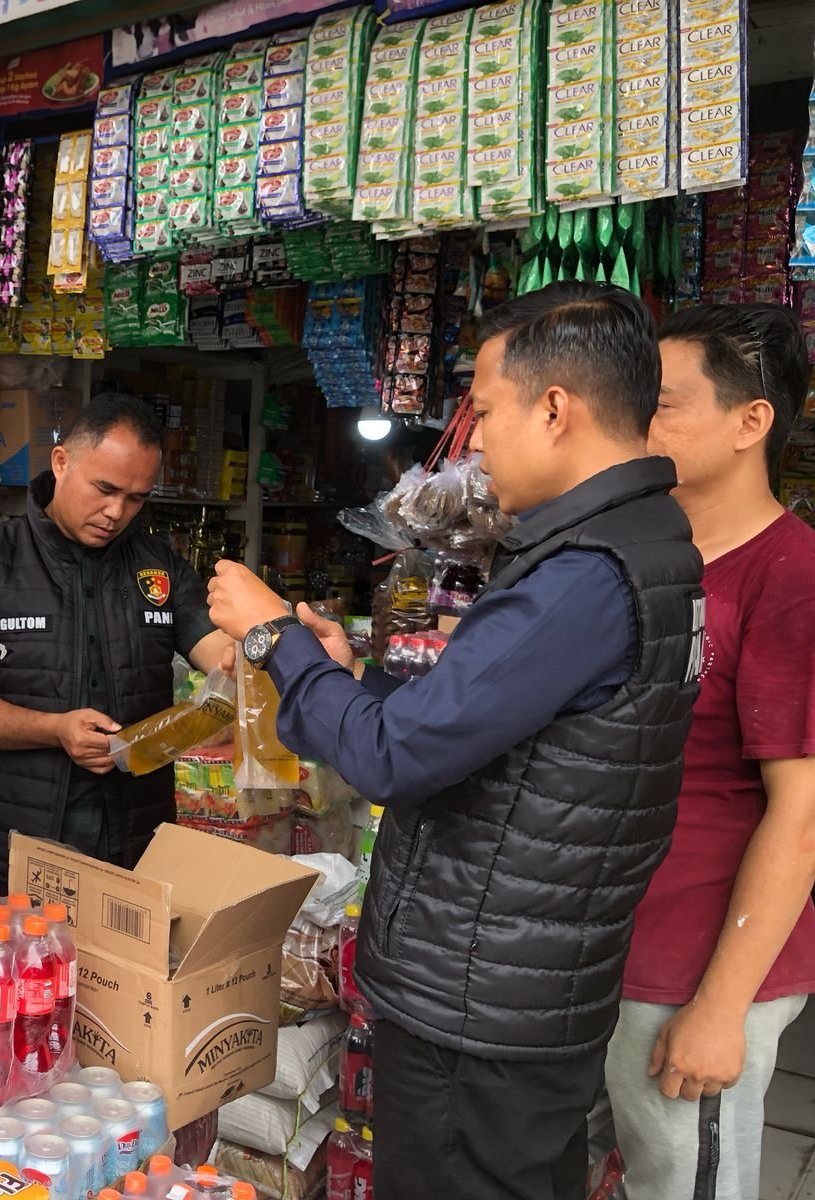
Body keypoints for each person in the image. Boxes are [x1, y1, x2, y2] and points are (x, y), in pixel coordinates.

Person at [206, 280, 705, 1200]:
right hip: (522, 986)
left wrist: (271, 637)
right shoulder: (644, 543)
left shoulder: (587, 573)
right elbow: (497, 728)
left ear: (555, 408)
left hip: (481, 1008)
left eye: (481, 410)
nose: (471, 442)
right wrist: (354, 679)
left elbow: (394, 756)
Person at [605, 303, 815, 1200]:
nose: (639, 423)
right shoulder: (648, 556)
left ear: (750, 421)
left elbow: (802, 813)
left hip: (695, 964)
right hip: (611, 942)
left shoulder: (789, 576)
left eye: (663, 403)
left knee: (687, 1182)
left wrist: (721, 1008)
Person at [0, 394, 230, 889]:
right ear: (62, 462)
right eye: (105, 488)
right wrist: (54, 729)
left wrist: (255, 653)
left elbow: (214, 647)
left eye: (136, 498)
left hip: (135, 844)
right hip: (15, 848)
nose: (116, 511)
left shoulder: (159, 567)